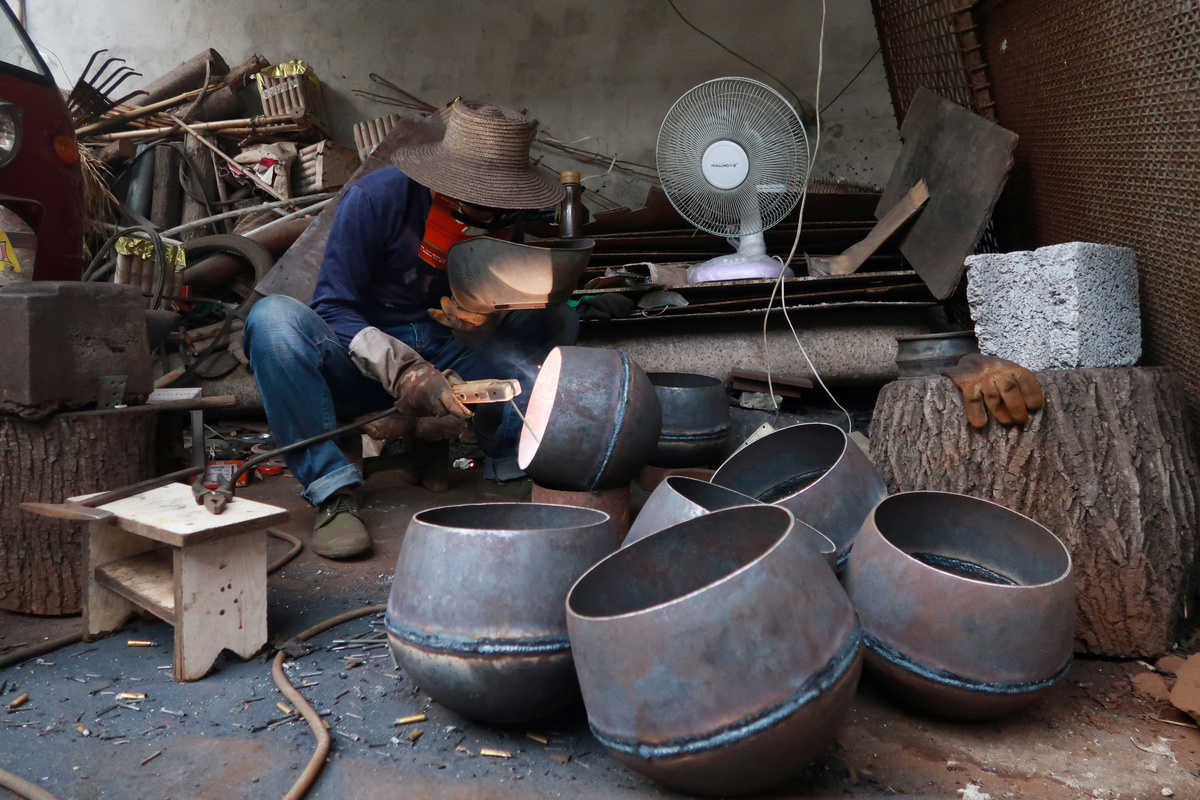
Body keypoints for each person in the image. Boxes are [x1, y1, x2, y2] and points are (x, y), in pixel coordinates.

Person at [243, 100, 579, 559]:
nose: (490, 209)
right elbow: (333, 307)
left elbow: (501, 302)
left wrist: (483, 322)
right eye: (478, 197)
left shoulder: (505, 216)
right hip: (362, 365)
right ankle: (332, 491)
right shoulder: (378, 199)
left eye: (499, 199)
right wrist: (405, 371)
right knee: (272, 320)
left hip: (452, 356)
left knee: (558, 316)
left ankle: (505, 462)